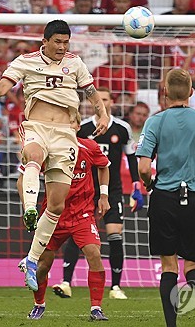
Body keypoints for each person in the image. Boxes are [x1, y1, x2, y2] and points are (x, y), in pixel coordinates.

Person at [0, 20, 109, 291]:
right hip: (37, 127)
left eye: (66, 42)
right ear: (45, 41)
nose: (62, 47)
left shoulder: (75, 63)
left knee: (56, 204)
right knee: (32, 156)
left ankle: (31, 260)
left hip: (66, 134)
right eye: (57, 42)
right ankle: (30, 208)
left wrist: (102, 113)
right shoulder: (25, 61)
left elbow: (91, 93)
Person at [136, 68, 195, 327]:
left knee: (169, 266)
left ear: (164, 93)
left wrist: (150, 183)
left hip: (164, 197)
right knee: (193, 264)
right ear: (192, 93)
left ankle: (171, 325)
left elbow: (143, 167)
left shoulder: (155, 121)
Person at [18, 112, 111, 321]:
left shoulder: (89, 147)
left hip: (82, 213)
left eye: (71, 123)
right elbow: (22, 178)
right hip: (53, 215)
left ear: (78, 126)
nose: (67, 126)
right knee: (43, 263)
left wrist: (103, 195)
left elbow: (104, 167)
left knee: (94, 253)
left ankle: (96, 308)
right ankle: (39, 304)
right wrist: (28, 206)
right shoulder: (45, 151)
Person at [53, 87, 142, 300]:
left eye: (105, 98)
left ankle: (116, 287)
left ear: (111, 101)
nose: (101, 102)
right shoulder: (83, 127)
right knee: (76, 235)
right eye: (97, 99)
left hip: (112, 190)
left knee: (114, 235)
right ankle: (66, 282)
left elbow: (130, 158)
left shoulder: (122, 128)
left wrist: (137, 185)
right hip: (84, 190)